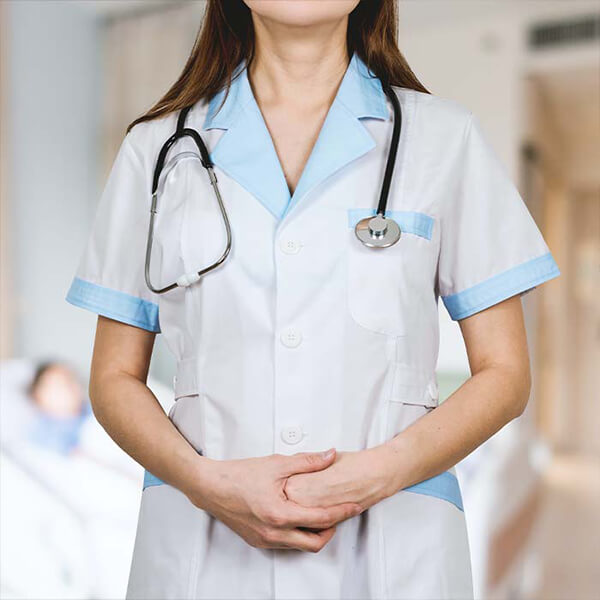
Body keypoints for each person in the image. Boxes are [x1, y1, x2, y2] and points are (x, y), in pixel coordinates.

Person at [65, 1, 560, 598]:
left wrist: (379, 475)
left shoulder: (442, 139)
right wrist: (206, 483)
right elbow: (114, 378)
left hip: (394, 549)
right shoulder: (158, 149)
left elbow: (505, 376)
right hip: (204, 549)